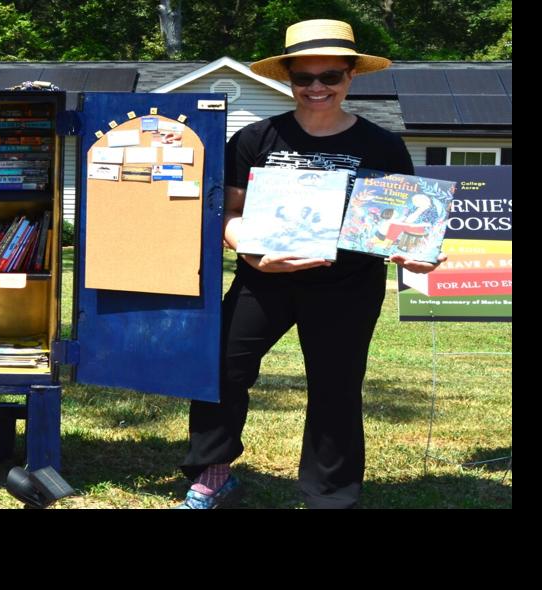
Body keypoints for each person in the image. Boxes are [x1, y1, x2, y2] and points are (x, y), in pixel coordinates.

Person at [175, 20, 445, 509]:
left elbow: (401, 227)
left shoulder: (382, 146)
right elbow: (228, 215)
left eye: (330, 76)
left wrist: (413, 256)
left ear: (351, 77)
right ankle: (213, 475)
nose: (317, 88)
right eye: (305, 78)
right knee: (220, 368)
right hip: (264, 280)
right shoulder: (256, 138)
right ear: (288, 79)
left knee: (336, 386)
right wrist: (253, 253)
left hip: (348, 285)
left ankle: (330, 496)